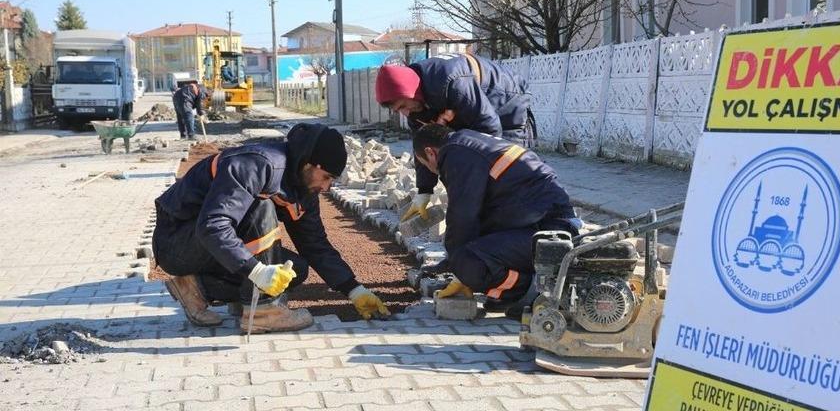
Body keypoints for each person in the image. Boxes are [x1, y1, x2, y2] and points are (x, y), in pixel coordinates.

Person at [152, 123, 390, 333]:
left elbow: (314, 244)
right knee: (262, 206)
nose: (326, 187)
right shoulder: (257, 164)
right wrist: (256, 271)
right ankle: (265, 311)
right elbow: (213, 225)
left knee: (294, 270)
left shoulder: (303, 187)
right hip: (176, 243)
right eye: (326, 177)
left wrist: (354, 290)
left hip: (206, 247)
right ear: (310, 163)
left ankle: (195, 288)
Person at [412, 124, 580, 316]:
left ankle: (528, 289)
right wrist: (451, 261)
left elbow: (463, 215)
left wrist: (459, 268)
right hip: (542, 221)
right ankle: (521, 281)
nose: (432, 171)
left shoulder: (456, 154)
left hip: (549, 232)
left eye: (426, 165)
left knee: (467, 262)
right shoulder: (467, 142)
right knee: (469, 249)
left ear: (430, 152)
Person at [374, 54, 535, 223]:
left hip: (506, 99)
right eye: (398, 110)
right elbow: (423, 146)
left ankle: (527, 220)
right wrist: (424, 190)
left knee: (509, 166)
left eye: (403, 105)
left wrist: (476, 178)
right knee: (458, 159)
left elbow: (489, 128)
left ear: (411, 90)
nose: (405, 113)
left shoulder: (451, 81)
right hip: (470, 105)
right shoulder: (415, 108)